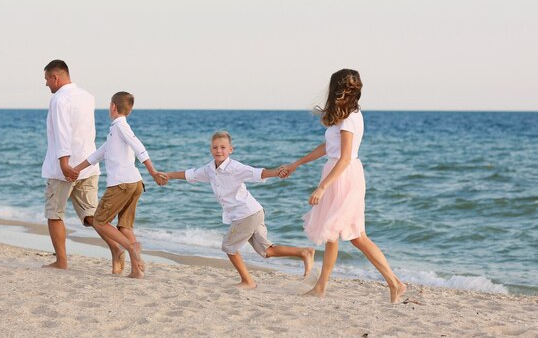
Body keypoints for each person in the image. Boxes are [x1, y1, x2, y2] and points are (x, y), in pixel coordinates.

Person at [279, 69, 406, 303]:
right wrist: (297, 163)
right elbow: (328, 147)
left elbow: (345, 157)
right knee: (332, 235)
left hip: (344, 176)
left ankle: (395, 283)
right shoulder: (344, 115)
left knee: (357, 236)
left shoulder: (350, 117)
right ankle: (322, 287)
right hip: (336, 173)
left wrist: (323, 188)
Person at [162, 131, 315, 289]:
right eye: (215, 147)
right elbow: (191, 175)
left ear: (230, 150)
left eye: (223, 147)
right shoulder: (209, 169)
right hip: (252, 213)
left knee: (228, 246)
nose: (219, 150)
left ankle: (248, 281)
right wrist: (168, 175)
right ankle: (304, 252)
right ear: (210, 150)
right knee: (267, 251)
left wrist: (277, 172)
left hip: (247, 214)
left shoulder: (235, 167)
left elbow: (257, 173)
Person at [71, 91, 167, 278]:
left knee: (99, 221)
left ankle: (130, 246)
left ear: (113, 107)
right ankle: (136, 271)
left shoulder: (121, 127)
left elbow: (139, 147)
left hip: (121, 184)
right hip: (135, 184)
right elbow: (98, 154)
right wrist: (76, 169)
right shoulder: (114, 131)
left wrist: (153, 172)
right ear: (129, 111)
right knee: (124, 227)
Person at [42, 59, 121, 269]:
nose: (46, 84)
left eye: (47, 79)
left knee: (54, 214)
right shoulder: (88, 97)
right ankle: (116, 248)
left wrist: (64, 164)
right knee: (91, 215)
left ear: (55, 77)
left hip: (64, 170)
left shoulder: (59, 100)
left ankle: (61, 261)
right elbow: (85, 131)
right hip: (88, 165)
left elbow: (62, 133)